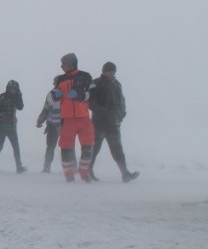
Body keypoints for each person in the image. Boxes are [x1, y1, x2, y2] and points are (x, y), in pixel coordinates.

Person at [89, 62, 140, 183]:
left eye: (113, 71)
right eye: (108, 71)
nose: (111, 73)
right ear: (103, 71)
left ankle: (125, 173)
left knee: (117, 149)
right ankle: (88, 171)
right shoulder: (96, 83)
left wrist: (122, 114)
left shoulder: (117, 84)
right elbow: (90, 102)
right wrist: (101, 111)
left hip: (113, 123)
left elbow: (122, 100)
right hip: (98, 123)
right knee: (94, 149)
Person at [53, 53, 95, 182]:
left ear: (71, 64)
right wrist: (56, 95)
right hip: (67, 119)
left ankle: (84, 173)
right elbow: (53, 98)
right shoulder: (60, 79)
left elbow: (92, 94)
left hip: (83, 119)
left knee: (88, 147)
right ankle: (69, 176)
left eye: (63, 63)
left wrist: (79, 95)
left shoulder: (85, 76)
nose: (61, 66)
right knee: (66, 148)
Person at [0, 80, 27, 173]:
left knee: (16, 146)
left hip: (11, 126)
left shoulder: (16, 98)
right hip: (1, 126)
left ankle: (19, 166)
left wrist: (19, 96)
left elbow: (21, 107)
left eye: (15, 89)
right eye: (11, 89)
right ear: (8, 88)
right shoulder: (1, 97)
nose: (13, 91)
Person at [35, 79, 61, 173]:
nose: (54, 84)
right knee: (52, 146)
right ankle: (47, 166)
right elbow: (45, 109)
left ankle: (72, 165)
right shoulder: (51, 94)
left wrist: (40, 120)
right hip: (54, 125)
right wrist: (40, 120)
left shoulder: (63, 94)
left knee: (62, 146)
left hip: (60, 124)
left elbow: (45, 109)